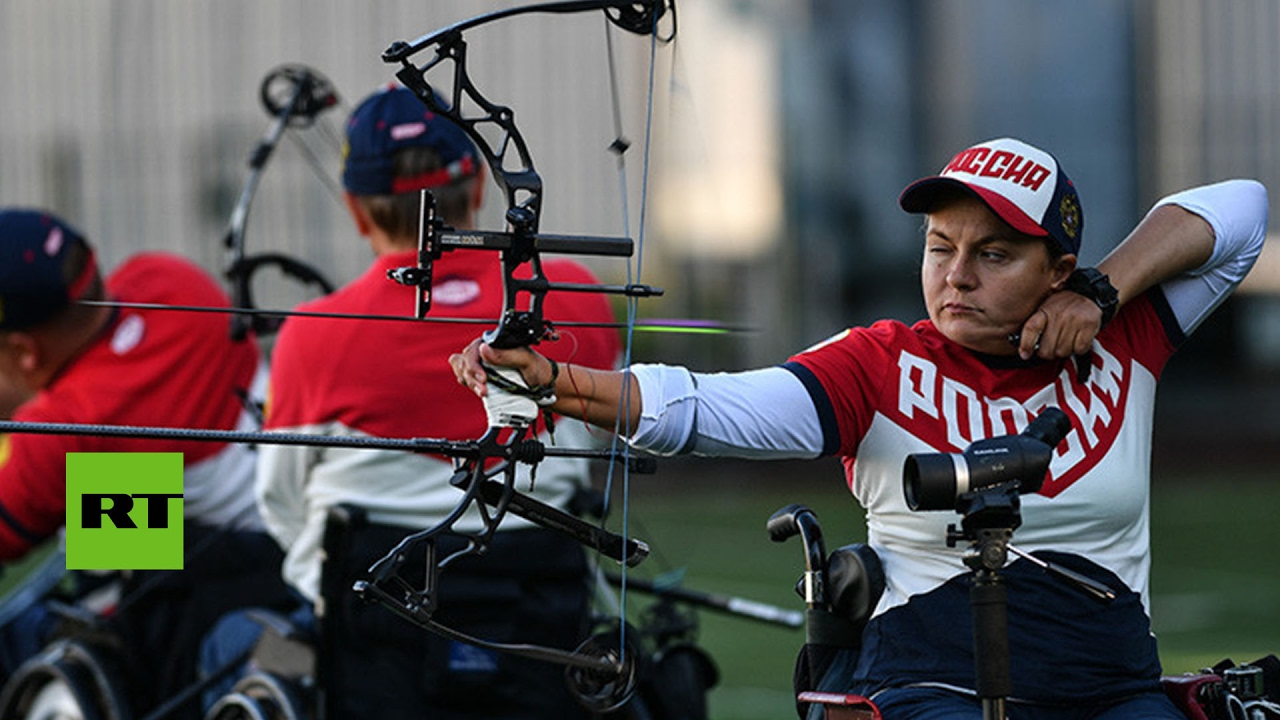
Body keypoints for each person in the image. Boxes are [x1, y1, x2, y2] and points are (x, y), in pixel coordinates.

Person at [453, 137, 1269, 719]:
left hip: (1110, 689)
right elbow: (704, 407)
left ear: (1055, 268)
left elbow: (1240, 212)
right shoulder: (876, 363)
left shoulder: (1124, 337)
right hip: (928, 689)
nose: (954, 276)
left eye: (994, 254)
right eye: (940, 246)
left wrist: (1102, 292)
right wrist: (554, 382)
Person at [201, 84, 622, 719]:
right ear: (481, 186)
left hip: (371, 646)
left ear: (356, 209)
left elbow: (281, 511)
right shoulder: (573, 294)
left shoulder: (307, 334)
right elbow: (611, 441)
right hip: (540, 621)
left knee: (221, 637)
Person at [0, 208, 292, 717]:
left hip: (228, 576)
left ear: (25, 351)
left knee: (24, 624)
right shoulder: (169, 278)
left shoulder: (61, 428)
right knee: (114, 501)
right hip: (281, 533)